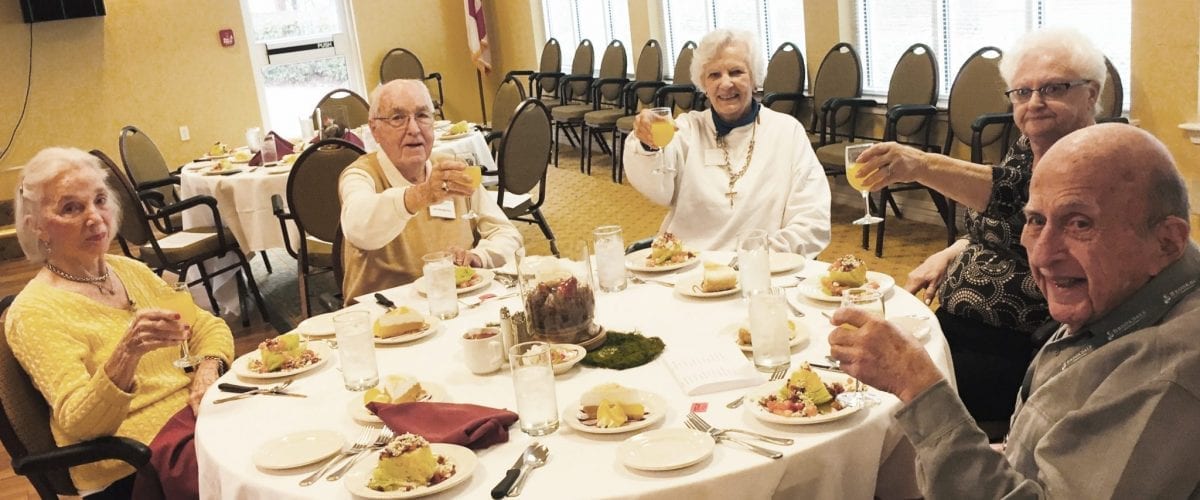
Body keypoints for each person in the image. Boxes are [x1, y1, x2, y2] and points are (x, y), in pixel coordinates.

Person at [830, 123, 1200, 497]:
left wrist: (919, 387)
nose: (1042, 254)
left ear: (1166, 242)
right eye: (1036, 220)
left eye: (1080, 224)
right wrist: (1005, 456)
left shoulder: (1167, 373)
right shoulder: (1125, 296)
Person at [852, 28, 1106, 436]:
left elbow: (1011, 195)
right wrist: (954, 250)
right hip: (959, 322)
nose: (1034, 102)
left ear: (1091, 93)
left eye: (1053, 88)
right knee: (861, 357)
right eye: (1022, 92)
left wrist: (920, 163)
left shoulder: (1098, 156)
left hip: (1017, 344)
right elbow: (1002, 221)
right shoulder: (1029, 143)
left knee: (878, 394)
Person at [6, 147, 233, 498]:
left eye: (99, 200)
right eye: (71, 208)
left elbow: (205, 326)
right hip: (131, 464)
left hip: (196, 422)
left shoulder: (129, 271)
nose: (94, 217)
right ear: (36, 226)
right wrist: (127, 353)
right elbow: (80, 422)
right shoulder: (36, 312)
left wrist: (207, 370)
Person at [623, 29, 831, 256]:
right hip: (689, 264)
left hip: (764, 264)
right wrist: (647, 141)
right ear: (703, 84)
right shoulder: (686, 130)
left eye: (736, 72)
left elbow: (812, 215)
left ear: (754, 79)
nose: (725, 84)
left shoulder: (786, 131)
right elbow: (656, 188)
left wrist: (762, 257)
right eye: (714, 75)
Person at [339, 79, 522, 301]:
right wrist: (421, 195)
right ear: (375, 130)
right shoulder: (361, 175)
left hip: (455, 306)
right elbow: (359, 229)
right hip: (386, 317)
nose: (414, 129)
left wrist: (478, 257)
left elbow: (507, 233)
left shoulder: (448, 168)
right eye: (398, 118)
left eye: (422, 116)